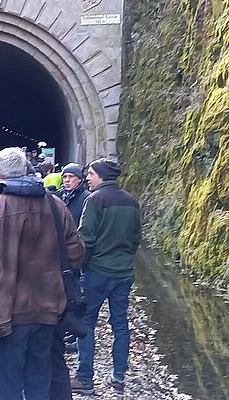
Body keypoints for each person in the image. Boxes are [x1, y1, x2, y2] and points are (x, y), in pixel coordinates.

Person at [0, 147, 84, 400]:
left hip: (6, 311)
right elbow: (76, 254)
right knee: (39, 377)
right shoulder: (56, 205)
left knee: (7, 382)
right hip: (48, 308)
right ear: (25, 170)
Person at [72, 158, 142, 395]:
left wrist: (79, 266)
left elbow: (86, 239)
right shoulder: (131, 201)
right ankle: (118, 377)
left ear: (101, 176)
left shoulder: (95, 200)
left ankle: (84, 378)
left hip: (97, 273)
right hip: (124, 273)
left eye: (90, 174)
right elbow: (135, 239)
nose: (88, 178)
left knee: (86, 323)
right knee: (120, 325)